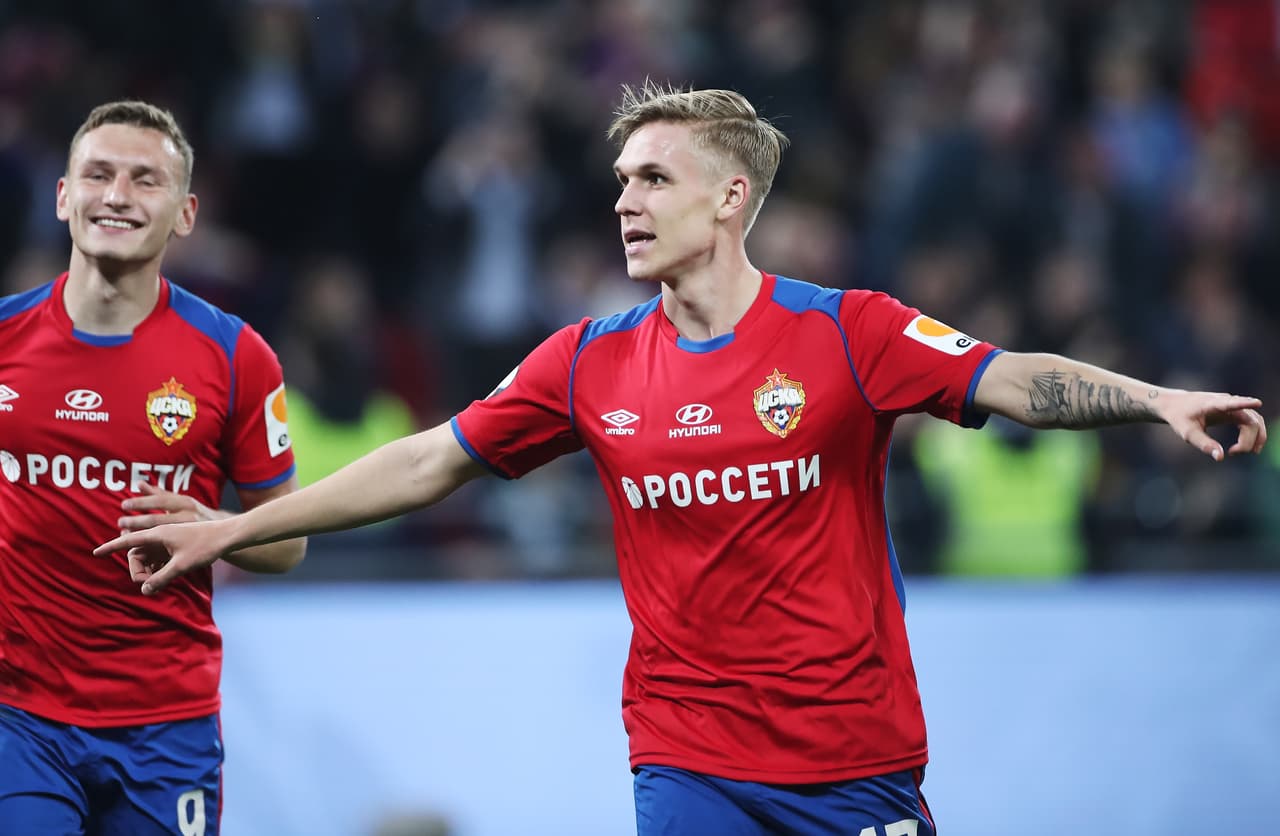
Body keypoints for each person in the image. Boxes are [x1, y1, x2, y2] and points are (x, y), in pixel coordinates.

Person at [96, 83, 1268, 836]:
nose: (625, 201)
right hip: (685, 761)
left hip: (853, 761)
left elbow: (1008, 376)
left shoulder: (844, 332)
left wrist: (1156, 398)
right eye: (619, 182)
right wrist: (236, 526)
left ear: (731, 197)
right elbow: (426, 462)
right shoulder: (585, 363)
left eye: (653, 177)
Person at [0, 100, 305, 835]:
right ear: (64, 196)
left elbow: (285, 544)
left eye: (145, 180)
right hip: (19, 717)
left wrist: (221, 530)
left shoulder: (237, 357)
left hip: (167, 725)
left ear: (186, 212)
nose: (116, 196)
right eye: (98, 175)